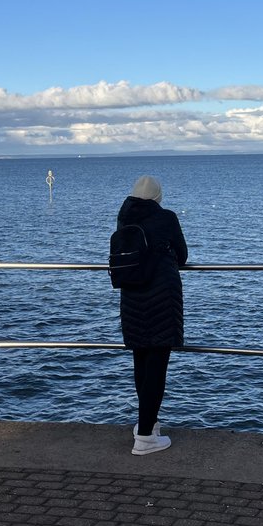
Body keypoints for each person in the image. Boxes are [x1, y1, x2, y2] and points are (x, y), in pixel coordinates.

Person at [115, 175, 188, 455]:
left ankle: (148, 424)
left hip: (132, 295)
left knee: (141, 361)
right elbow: (182, 256)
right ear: (158, 197)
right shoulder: (166, 218)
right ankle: (145, 437)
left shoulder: (124, 217)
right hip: (161, 297)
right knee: (157, 365)